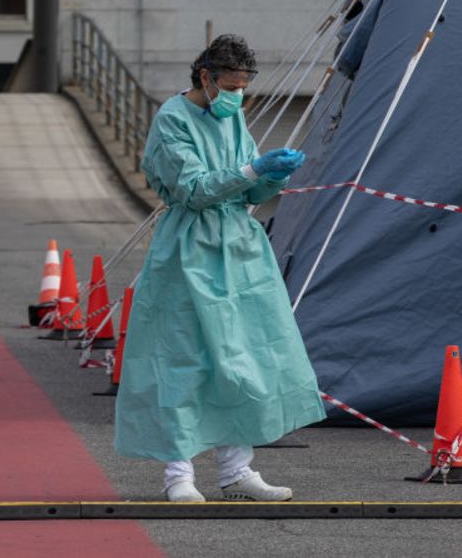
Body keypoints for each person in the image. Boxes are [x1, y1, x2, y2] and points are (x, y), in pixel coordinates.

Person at [113, 34, 325, 502]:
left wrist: (271, 175)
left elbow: (245, 193)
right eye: (230, 86)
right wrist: (251, 173)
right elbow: (194, 189)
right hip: (189, 251)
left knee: (240, 358)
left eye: (244, 87)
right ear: (206, 77)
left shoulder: (232, 120)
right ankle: (178, 475)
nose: (237, 96)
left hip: (238, 249)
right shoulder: (172, 120)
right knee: (181, 360)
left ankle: (236, 471)